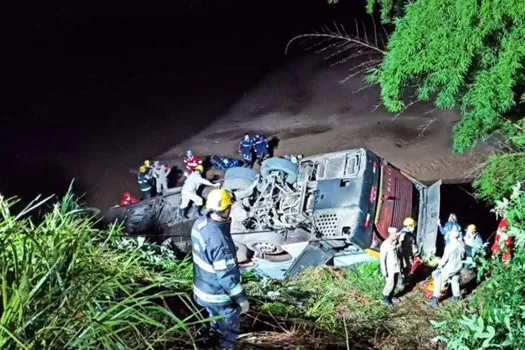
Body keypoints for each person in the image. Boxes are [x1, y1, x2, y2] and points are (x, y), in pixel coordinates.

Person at [191, 189, 249, 350]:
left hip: (201, 288)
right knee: (228, 330)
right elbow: (227, 277)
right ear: (226, 209)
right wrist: (241, 299)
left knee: (214, 321)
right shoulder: (220, 243)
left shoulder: (200, 224)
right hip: (217, 296)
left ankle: (213, 338)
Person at [426, 226, 465, 306]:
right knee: (454, 280)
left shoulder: (449, 246)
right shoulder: (462, 244)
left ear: (451, 236)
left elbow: (444, 259)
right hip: (459, 266)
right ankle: (456, 297)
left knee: (439, 279)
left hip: (451, 266)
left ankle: (434, 300)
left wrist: (439, 267)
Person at [380, 227, 402, 306]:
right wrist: (384, 270)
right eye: (395, 234)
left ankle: (391, 296)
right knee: (389, 283)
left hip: (396, 267)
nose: (397, 236)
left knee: (395, 282)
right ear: (391, 234)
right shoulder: (385, 244)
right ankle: (385, 298)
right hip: (389, 268)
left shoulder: (394, 243)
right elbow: (382, 259)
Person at [398, 217, 420, 288]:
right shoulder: (406, 236)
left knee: (405, 268)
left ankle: (404, 281)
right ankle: (402, 284)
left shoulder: (403, 233)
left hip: (405, 255)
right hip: (405, 256)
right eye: (412, 226)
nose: (413, 228)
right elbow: (410, 246)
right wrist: (416, 253)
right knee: (405, 268)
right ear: (408, 226)